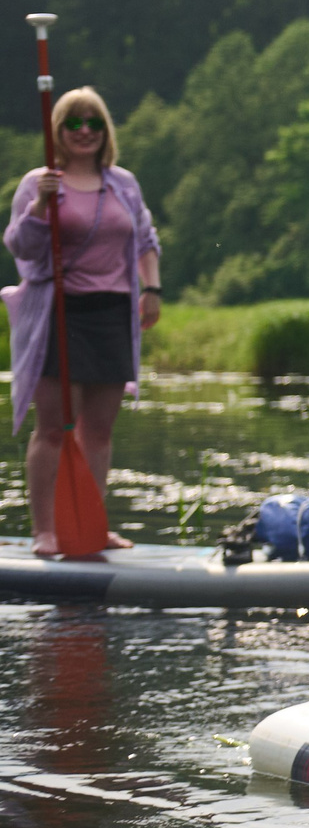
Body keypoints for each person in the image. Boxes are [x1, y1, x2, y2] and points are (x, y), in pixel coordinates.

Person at [6, 88, 161, 555]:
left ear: (105, 131)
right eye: (74, 123)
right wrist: (39, 210)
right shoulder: (39, 182)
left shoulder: (123, 184)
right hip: (59, 313)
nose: (85, 131)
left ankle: (92, 527)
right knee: (55, 427)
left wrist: (151, 289)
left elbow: (145, 241)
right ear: (59, 131)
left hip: (113, 314)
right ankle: (46, 531)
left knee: (99, 429)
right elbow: (20, 246)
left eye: (94, 123)